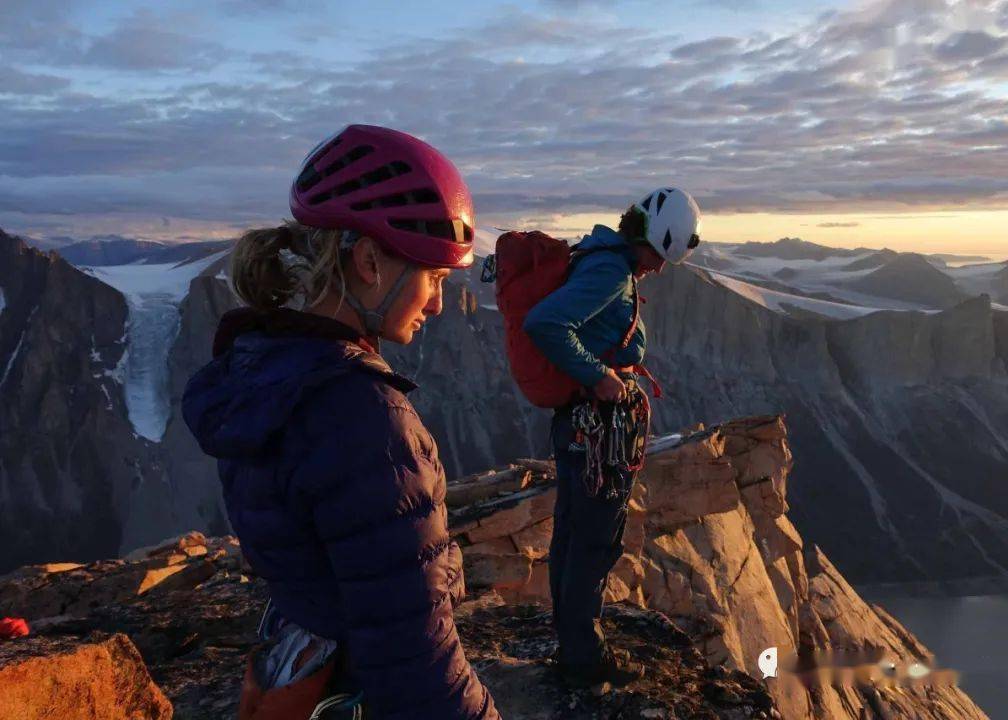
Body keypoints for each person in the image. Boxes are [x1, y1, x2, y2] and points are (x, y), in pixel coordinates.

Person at [182, 125, 500, 719]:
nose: (437, 303)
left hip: (293, 671)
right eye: (432, 277)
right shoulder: (365, 417)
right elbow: (416, 660)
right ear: (369, 261)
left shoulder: (260, 370)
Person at [523, 187, 702, 687]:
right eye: (658, 256)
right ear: (645, 238)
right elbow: (546, 323)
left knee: (574, 529)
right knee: (597, 536)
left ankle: (572, 638)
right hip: (594, 426)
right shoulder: (609, 270)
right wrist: (600, 375)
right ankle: (585, 657)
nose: (659, 269)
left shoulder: (599, 255)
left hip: (580, 423)